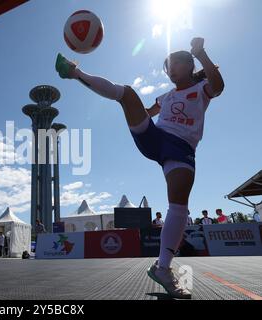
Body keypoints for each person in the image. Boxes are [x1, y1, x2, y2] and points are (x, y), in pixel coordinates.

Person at [56, 37, 224, 299]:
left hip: (181, 149)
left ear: (188, 65)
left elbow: (218, 85)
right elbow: (145, 110)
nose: (169, 70)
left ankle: (163, 268)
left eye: (173, 65)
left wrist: (201, 52)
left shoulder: (202, 88)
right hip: (154, 138)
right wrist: (133, 113)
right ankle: (75, 72)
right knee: (127, 93)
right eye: (167, 67)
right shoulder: (166, 96)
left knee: (178, 206)